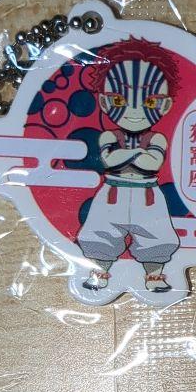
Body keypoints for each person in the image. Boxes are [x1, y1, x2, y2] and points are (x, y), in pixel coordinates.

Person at [76, 38, 182, 293]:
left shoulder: (155, 138)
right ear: (104, 102)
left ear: (165, 105)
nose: (134, 112)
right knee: (100, 231)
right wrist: (136, 153)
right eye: (120, 101)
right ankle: (99, 271)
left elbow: (152, 162)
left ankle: (154, 276)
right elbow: (110, 160)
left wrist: (126, 154)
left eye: (149, 102)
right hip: (112, 193)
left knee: (155, 234)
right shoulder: (109, 136)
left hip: (148, 195)